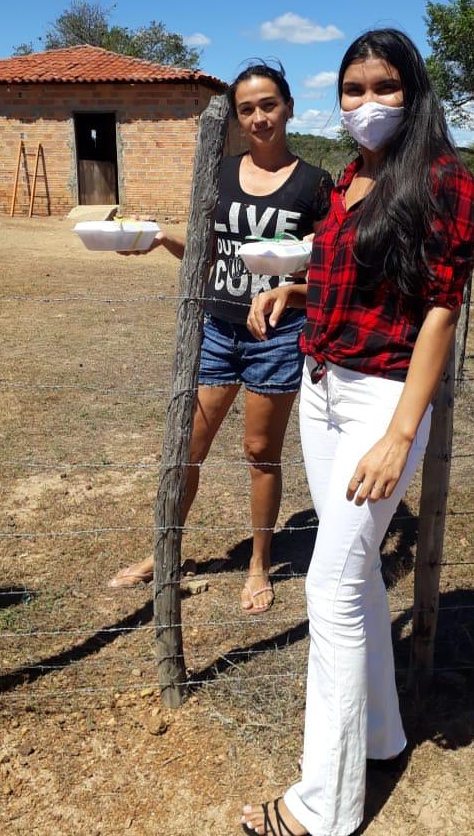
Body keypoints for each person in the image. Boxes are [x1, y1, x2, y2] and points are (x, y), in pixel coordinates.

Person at [241, 29, 474, 834]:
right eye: (352, 89)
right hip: (321, 388)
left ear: (412, 91)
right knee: (356, 578)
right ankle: (379, 736)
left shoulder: (443, 179)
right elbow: (354, 272)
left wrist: (399, 434)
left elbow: (439, 311)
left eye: (384, 87)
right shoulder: (351, 176)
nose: (366, 103)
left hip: (383, 399)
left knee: (330, 588)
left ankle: (324, 807)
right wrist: (297, 292)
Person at [108, 61, 333, 614]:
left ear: (289, 107)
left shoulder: (314, 184)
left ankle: (259, 563)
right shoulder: (222, 173)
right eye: (246, 109)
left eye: (269, 105)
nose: (259, 118)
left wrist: (293, 290)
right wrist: (161, 239)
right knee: (187, 448)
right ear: (236, 117)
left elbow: (329, 271)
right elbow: (208, 251)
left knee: (260, 453)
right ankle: (163, 554)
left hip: (276, 337)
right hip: (217, 331)